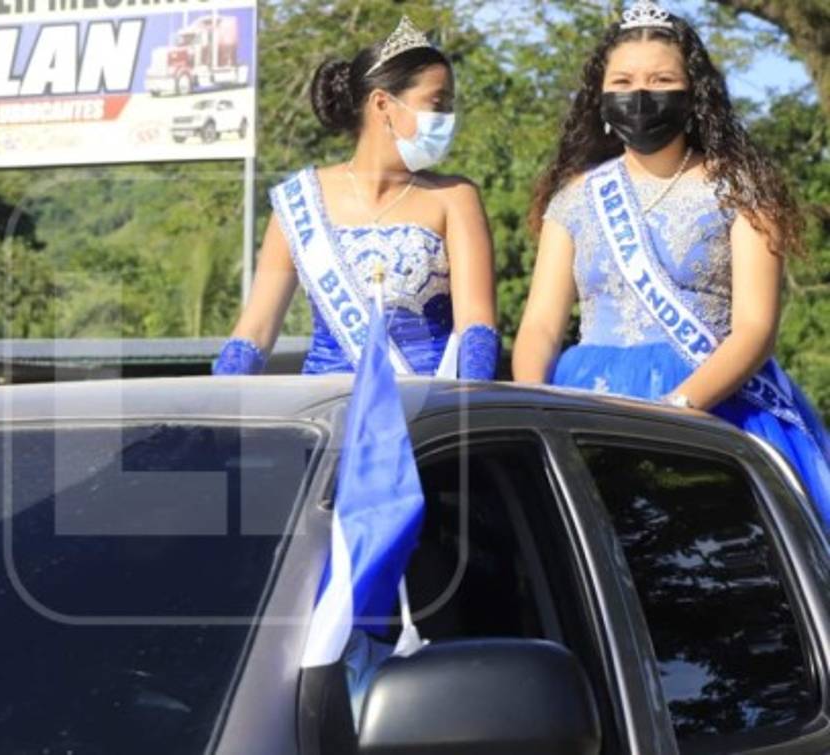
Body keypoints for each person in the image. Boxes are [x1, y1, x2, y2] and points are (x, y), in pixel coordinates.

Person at [513, 0, 830, 529]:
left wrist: (676, 411)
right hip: (585, 399)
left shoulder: (742, 190)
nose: (640, 95)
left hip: (714, 403)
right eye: (623, 80)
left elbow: (755, 327)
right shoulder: (574, 197)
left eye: (661, 79)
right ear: (601, 96)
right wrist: (531, 406)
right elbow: (542, 324)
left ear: (694, 94)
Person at [212, 16, 499, 379]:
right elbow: (255, 331)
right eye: (436, 103)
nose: (447, 118)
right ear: (383, 104)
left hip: (425, 414)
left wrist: (469, 416)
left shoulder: (455, 198)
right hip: (327, 412)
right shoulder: (301, 199)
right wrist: (211, 422)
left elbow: (477, 328)